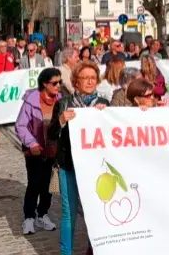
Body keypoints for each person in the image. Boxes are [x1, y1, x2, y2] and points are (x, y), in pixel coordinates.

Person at [48, 61, 109, 255]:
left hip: (95, 168)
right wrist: (61, 120)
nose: (90, 82)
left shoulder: (104, 104)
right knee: (69, 213)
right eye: (85, 78)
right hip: (69, 166)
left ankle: (93, 250)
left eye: (93, 78)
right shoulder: (63, 104)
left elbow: (114, 135)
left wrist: (105, 116)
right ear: (76, 82)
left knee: (95, 213)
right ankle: (66, 252)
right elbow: (50, 134)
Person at [15, 68, 61, 235]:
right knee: (34, 184)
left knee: (48, 187)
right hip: (35, 151)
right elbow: (20, 125)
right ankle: (29, 217)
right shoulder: (31, 101)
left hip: (54, 151)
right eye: (55, 83)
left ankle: (43, 214)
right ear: (44, 83)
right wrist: (31, 143)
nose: (58, 86)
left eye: (60, 82)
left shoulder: (61, 100)